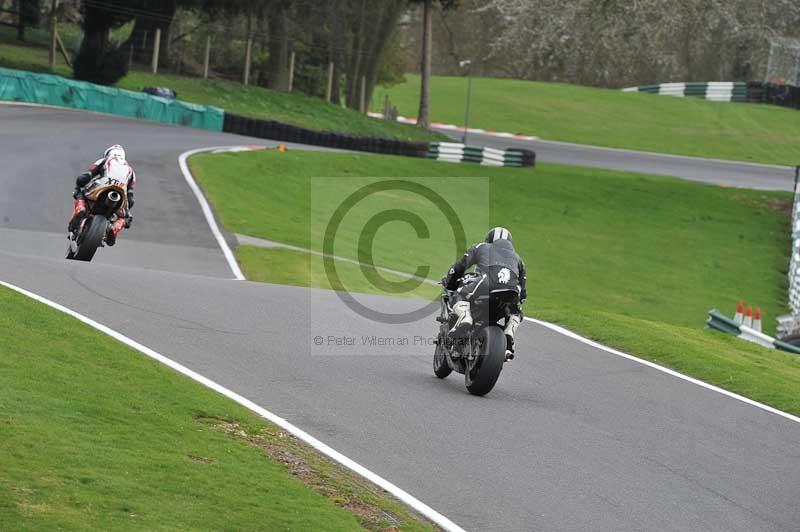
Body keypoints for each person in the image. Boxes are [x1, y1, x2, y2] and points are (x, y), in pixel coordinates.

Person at [443, 227, 527, 359]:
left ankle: (465, 317)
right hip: (511, 292)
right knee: (516, 312)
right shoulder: (518, 259)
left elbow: (459, 267)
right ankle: (509, 331)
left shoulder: (481, 246)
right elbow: (523, 293)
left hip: (486, 284)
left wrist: (450, 284)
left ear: (489, 240)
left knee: (459, 294)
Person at [69, 144, 136, 246]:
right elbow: (130, 198)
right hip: (122, 192)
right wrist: (126, 212)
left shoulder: (105, 160)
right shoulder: (131, 171)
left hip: (103, 184)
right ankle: (114, 228)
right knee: (125, 217)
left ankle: (81, 209)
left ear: (108, 153)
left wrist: (79, 186)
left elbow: (86, 176)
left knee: (82, 193)